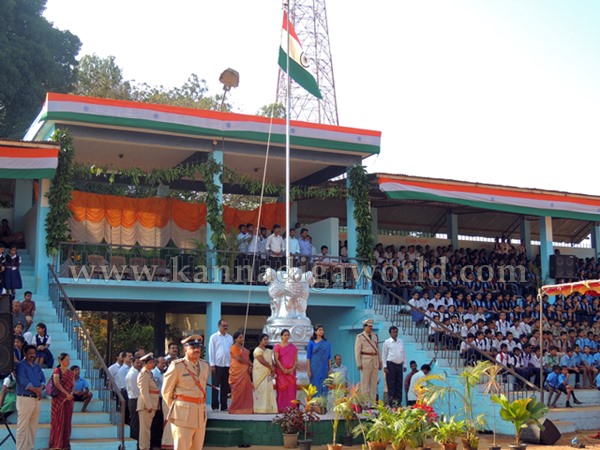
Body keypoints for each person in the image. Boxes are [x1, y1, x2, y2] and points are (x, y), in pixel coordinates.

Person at [162, 335, 209, 450]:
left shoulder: (204, 366)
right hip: (182, 416)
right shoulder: (177, 366)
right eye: (193, 347)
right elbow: (166, 392)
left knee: (197, 447)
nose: (197, 350)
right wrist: (178, 408)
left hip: (200, 415)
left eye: (198, 347)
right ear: (185, 349)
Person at [15, 344, 45, 450]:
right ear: (25, 354)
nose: (32, 355)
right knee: (22, 426)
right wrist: (36, 391)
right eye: (30, 353)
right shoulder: (21, 365)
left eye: (34, 353)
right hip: (25, 398)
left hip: (36, 399)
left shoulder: (37, 366)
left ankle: (30, 448)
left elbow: (43, 379)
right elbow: (23, 381)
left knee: (33, 426)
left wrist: (40, 389)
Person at [49, 353, 75, 450]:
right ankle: (56, 444)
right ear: (60, 360)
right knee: (58, 420)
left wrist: (71, 393)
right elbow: (57, 383)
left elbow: (73, 384)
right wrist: (65, 393)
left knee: (67, 421)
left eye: (69, 359)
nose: (68, 361)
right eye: (66, 359)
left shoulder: (70, 372)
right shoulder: (57, 370)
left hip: (68, 399)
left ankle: (65, 444)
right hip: (59, 398)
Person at [354, 319, 382, 407]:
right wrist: (358, 363)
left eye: (372, 326)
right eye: (369, 326)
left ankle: (373, 403)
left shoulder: (375, 336)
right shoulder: (360, 337)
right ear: (365, 327)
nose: (371, 328)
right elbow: (357, 351)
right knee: (365, 383)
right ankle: (365, 403)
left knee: (374, 383)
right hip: (365, 361)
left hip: (375, 361)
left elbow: (378, 350)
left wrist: (380, 361)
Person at [208, 319, 233, 412]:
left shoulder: (230, 338)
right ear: (219, 326)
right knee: (215, 386)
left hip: (227, 365)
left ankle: (224, 405)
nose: (225, 327)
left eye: (226, 325)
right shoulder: (214, 337)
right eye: (223, 325)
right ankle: (214, 406)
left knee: (225, 386)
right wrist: (212, 364)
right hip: (217, 365)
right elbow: (211, 351)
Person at [137, 353, 160, 450]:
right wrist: (148, 405)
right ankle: (144, 448)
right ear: (146, 363)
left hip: (152, 404)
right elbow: (144, 391)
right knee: (144, 430)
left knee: (147, 429)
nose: (153, 364)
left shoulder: (148, 373)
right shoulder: (143, 374)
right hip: (146, 406)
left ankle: (146, 447)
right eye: (151, 363)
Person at [228, 331, 253, 414]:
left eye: (242, 337)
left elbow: (248, 359)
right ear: (235, 339)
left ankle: (245, 408)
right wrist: (249, 363)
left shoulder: (245, 350)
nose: (242, 339)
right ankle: (235, 408)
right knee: (237, 390)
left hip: (245, 372)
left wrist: (250, 366)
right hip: (237, 372)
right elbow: (238, 358)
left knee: (246, 389)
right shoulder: (233, 348)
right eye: (240, 337)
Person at [274, 328, 298, 412]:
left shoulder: (293, 347)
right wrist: (283, 369)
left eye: (288, 335)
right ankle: (281, 408)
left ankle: (291, 407)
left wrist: (292, 369)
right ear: (281, 336)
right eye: (285, 335)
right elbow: (276, 359)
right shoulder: (277, 347)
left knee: (291, 390)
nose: (287, 337)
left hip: (291, 372)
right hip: (281, 372)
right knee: (282, 390)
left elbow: (295, 359)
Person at [252, 333, 277, 414]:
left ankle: (269, 408)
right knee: (261, 390)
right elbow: (261, 360)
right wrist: (270, 367)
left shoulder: (268, 351)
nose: (266, 341)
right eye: (264, 339)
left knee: (268, 390)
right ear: (260, 340)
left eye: (267, 339)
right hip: (259, 373)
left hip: (268, 373)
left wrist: (273, 368)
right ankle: (259, 408)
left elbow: (271, 361)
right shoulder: (257, 350)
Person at [382, 325, 406, 406]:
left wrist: (405, 364)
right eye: (393, 332)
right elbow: (384, 355)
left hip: (399, 365)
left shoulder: (401, 341)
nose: (395, 333)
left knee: (399, 383)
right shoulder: (387, 342)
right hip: (390, 364)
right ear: (390, 333)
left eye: (396, 332)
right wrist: (385, 366)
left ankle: (398, 401)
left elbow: (403, 353)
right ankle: (391, 402)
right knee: (391, 384)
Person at [306, 324, 332, 396]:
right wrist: (308, 369)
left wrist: (330, 368)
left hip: (324, 367)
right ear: (315, 332)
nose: (321, 332)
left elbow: (329, 357)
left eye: (322, 330)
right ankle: (314, 405)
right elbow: (308, 357)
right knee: (315, 384)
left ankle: (323, 403)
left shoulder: (326, 343)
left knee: (324, 384)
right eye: (319, 330)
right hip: (314, 367)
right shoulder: (311, 343)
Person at [126, 353, 143, 442]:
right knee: (135, 423)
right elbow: (136, 390)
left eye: (140, 363)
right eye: (137, 363)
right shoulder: (132, 374)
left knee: (140, 423)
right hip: (135, 400)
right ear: (133, 363)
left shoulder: (139, 372)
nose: (139, 364)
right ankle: (134, 441)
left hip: (139, 399)